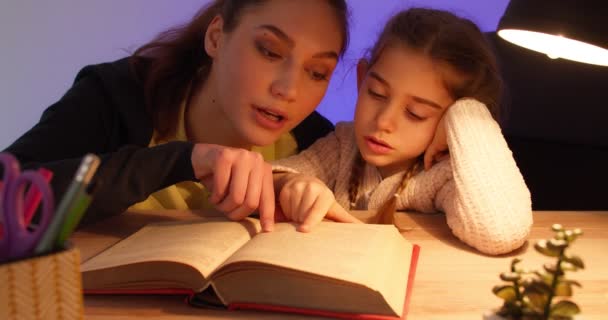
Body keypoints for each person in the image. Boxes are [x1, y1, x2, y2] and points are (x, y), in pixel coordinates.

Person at [3, 0, 359, 232]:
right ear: (216, 38)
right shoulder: (116, 94)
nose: (289, 90)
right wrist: (182, 160)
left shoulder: (316, 143)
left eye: (317, 73)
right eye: (269, 51)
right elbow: (9, 194)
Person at [271, 8, 533, 255]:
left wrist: (466, 113)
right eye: (376, 93)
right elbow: (274, 175)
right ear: (362, 78)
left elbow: (500, 232)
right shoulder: (343, 145)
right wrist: (289, 182)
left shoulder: (443, 174)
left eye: (416, 113)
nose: (384, 121)